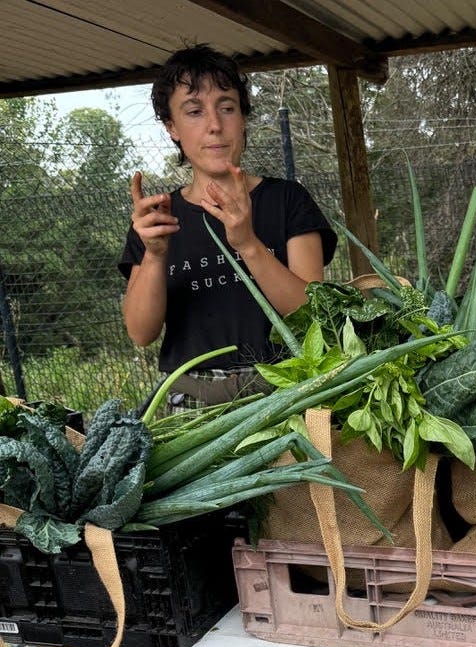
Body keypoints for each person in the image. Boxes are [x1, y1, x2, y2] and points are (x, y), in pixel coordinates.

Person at [119, 43, 337, 407]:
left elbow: (314, 314)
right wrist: (155, 255)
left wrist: (248, 244)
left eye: (227, 107)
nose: (214, 126)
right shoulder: (156, 220)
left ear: (243, 117)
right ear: (172, 127)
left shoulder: (287, 201)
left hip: (287, 392)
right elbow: (141, 333)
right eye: (194, 111)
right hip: (190, 404)